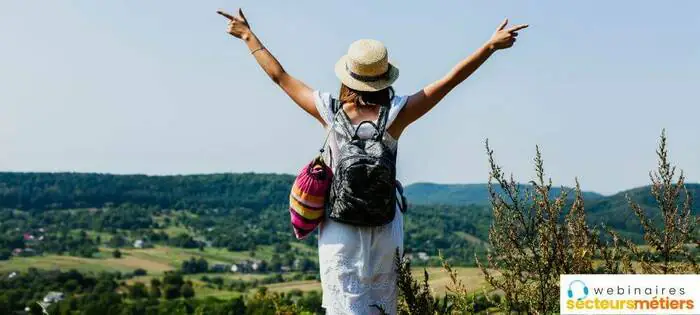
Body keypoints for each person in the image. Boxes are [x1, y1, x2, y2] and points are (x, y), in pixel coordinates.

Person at [217, 8, 527, 315]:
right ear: (383, 76)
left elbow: (279, 77)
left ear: (348, 76)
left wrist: (247, 35)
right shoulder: (396, 115)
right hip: (385, 228)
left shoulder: (329, 111)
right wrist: (489, 47)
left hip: (341, 231)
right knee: (380, 307)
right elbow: (449, 82)